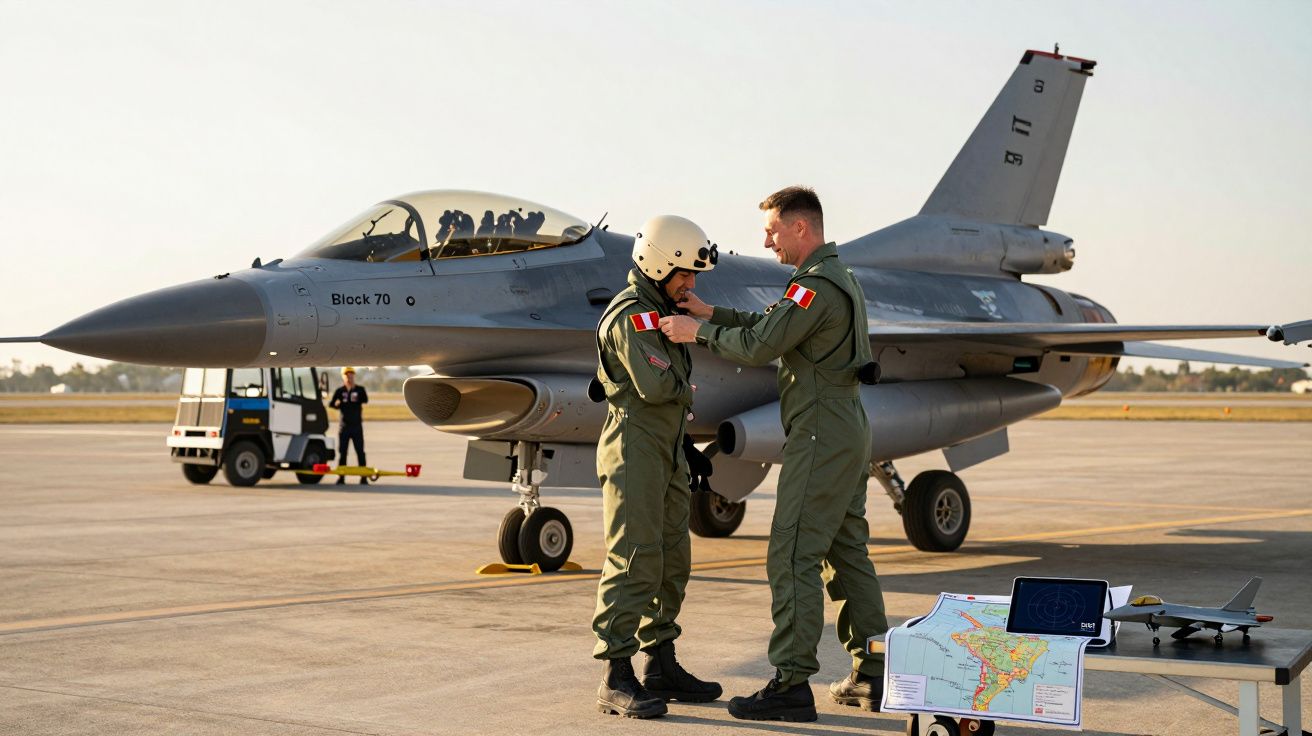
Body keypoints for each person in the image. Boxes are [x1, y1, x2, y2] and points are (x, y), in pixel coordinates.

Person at [659, 186, 888, 722]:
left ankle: (790, 684)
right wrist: (711, 311)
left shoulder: (813, 288)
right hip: (846, 427)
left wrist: (698, 331)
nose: (766, 239)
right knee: (847, 550)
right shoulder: (837, 278)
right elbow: (771, 325)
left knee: (791, 554)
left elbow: (762, 347)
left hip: (820, 435)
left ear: (801, 228)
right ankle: (875, 673)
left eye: (773, 229)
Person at [592, 215, 722, 719]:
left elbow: (673, 387)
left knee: (672, 556)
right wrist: (689, 359)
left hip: (666, 445)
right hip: (634, 447)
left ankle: (660, 662)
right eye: (685, 274)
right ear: (658, 264)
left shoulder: (662, 311)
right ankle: (615, 672)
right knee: (635, 556)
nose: (690, 284)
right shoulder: (631, 316)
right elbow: (658, 385)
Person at [329, 366, 369, 486]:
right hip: (344, 427)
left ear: (354, 376)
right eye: (347, 375)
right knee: (343, 453)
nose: (349, 376)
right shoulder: (340, 391)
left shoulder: (360, 389)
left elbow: (366, 400)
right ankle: (341, 477)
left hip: (357, 427)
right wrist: (338, 405)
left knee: (360, 452)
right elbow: (331, 404)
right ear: (343, 376)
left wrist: (356, 397)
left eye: (351, 374)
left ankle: (363, 477)